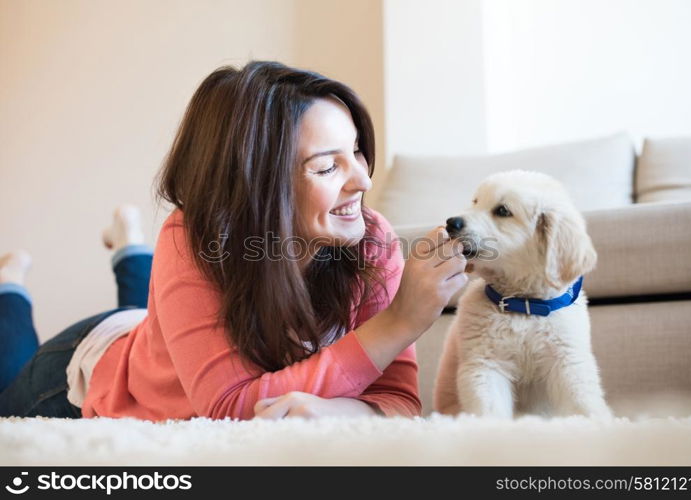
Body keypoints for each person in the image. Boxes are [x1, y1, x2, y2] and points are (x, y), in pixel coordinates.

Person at [0, 61, 467, 421]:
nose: (363, 181)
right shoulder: (196, 236)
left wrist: (327, 410)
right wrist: (400, 322)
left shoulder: (371, 239)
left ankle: (129, 247)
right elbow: (226, 407)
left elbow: (398, 402)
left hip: (157, 335)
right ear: (256, 185)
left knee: (154, 316)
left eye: (358, 153)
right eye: (327, 167)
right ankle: (12, 284)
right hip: (88, 368)